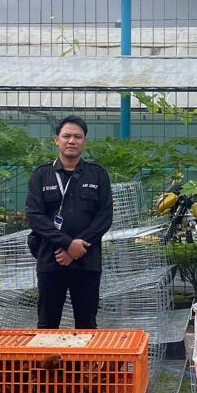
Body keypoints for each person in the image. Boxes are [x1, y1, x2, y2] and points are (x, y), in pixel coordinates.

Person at [25, 115, 114, 328]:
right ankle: (48, 354)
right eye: (66, 136)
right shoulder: (41, 175)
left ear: (84, 141)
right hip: (51, 259)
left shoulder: (97, 174)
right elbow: (35, 216)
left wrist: (77, 247)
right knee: (47, 324)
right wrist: (67, 244)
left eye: (77, 137)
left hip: (87, 261)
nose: (72, 141)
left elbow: (104, 217)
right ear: (57, 140)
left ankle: (85, 355)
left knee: (87, 324)